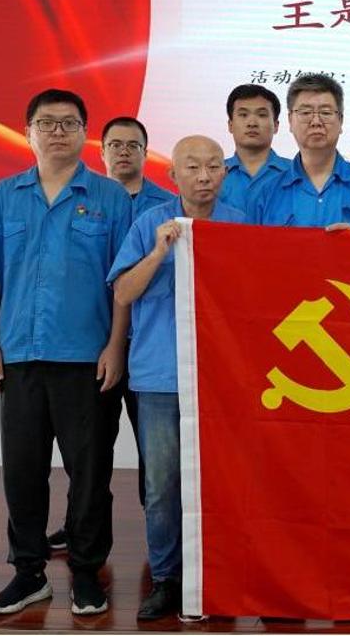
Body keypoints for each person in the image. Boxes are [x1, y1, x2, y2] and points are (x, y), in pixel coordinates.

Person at [0, 88, 132, 616]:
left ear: (85, 132)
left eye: (69, 123)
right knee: (23, 471)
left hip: (88, 359)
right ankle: (29, 573)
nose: (58, 131)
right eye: (47, 123)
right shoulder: (3, 197)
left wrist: (115, 346)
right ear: (28, 132)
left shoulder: (110, 198)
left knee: (90, 474)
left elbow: (124, 283)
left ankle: (86, 573)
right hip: (21, 356)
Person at [109, 136, 246, 620]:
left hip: (224, 378)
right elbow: (123, 292)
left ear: (225, 173)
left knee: (225, 481)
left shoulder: (240, 224)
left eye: (213, 166)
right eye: (193, 167)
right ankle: (166, 578)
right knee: (162, 486)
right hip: (161, 376)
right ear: (173, 175)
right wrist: (158, 252)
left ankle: (220, 575)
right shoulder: (150, 223)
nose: (204, 176)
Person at [41, 116, 167, 553]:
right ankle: (80, 528)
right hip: (95, 345)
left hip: (150, 347)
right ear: (102, 152)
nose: (124, 152)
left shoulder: (168, 206)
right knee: (89, 448)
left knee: (157, 453)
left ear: (146, 153)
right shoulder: (83, 199)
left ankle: (159, 536)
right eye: (115, 144)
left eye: (134, 145)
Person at [250, 74, 350, 230]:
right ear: (290, 121)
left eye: (326, 112)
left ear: (341, 120)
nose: (316, 122)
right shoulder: (267, 193)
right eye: (305, 112)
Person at [220, 83, 291, 214]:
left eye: (262, 115)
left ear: (276, 126)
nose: (252, 123)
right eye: (243, 115)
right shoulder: (213, 175)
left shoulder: (297, 173)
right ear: (230, 125)